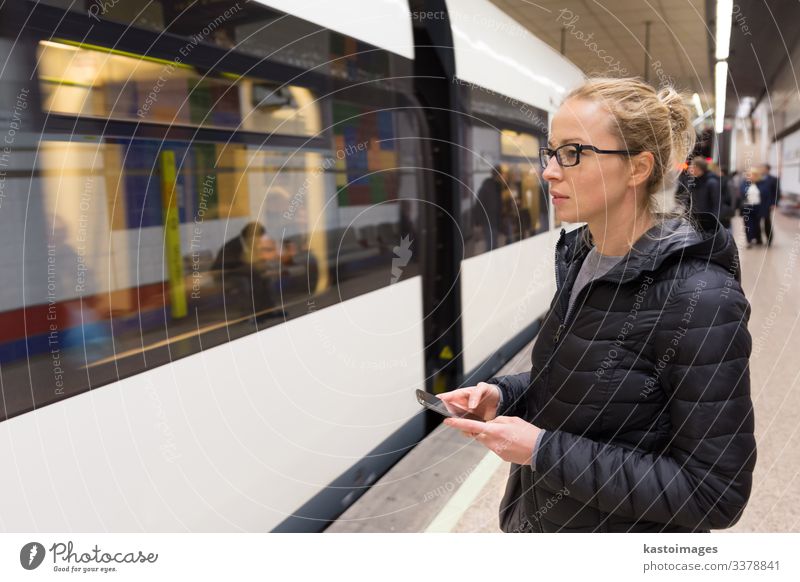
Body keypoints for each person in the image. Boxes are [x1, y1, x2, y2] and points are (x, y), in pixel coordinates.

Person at [440, 77, 756, 533]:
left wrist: (541, 451)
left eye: (574, 153)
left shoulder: (701, 299)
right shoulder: (583, 259)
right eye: (551, 152)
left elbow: (714, 493)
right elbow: (590, 378)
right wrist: (504, 395)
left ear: (638, 168)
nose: (548, 171)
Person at [212, 221, 281, 319]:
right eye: (257, 237)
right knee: (244, 282)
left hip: (242, 271)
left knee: (265, 278)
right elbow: (228, 265)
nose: (259, 241)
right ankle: (247, 314)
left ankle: (268, 310)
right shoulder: (233, 246)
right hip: (224, 273)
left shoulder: (249, 244)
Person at [474, 166, 505, 251]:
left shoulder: (497, 187)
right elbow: (479, 205)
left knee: (493, 244)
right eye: (500, 174)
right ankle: (490, 262)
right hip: (489, 221)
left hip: (494, 221)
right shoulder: (487, 187)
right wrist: (478, 222)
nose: (502, 177)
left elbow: (499, 205)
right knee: (491, 245)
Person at [757, 163, 781, 247]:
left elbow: (777, 192)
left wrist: (774, 203)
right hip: (758, 204)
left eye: (762, 168)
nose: (761, 169)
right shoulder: (758, 178)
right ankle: (758, 239)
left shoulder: (773, 179)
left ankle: (769, 240)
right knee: (757, 222)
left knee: (767, 222)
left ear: (767, 169)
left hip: (767, 204)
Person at [740, 169, 763, 248]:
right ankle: (749, 241)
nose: (750, 176)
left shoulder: (761, 184)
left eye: (752, 175)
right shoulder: (745, 183)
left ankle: (757, 238)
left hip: (758, 207)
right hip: (747, 207)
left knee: (756, 224)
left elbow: (765, 194)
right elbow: (742, 192)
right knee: (748, 224)